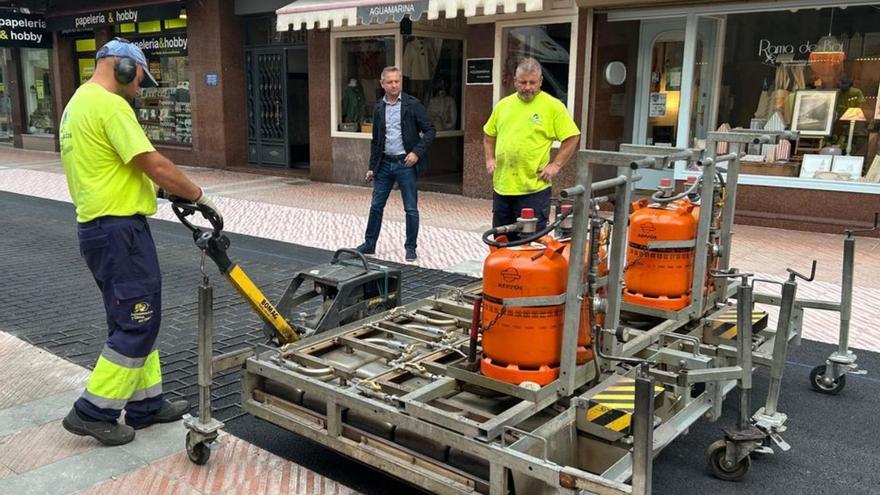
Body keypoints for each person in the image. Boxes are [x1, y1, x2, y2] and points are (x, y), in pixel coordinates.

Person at [58, 38, 222, 446]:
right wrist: (199, 194)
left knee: (131, 317)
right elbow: (153, 162)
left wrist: (165, 193)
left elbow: (118, 167)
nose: (139, 90)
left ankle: (147, 405)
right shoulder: (110, 105)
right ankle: (92, 412)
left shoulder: (76, 104)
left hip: (98, 230)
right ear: (123, 67)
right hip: (119, 232)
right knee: (138, 318)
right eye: (139, 80)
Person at [483, 57, 580, 238]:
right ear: (515, 81)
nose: (528, 87)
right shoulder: (503, 105)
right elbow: (489, 134)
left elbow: (572, 136)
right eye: (523, 82)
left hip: (533, 190)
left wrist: (556, 165)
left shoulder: (553, 106)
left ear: (540, 81)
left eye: (532, 83)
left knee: (531, 244)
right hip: (502, 188)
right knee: (502, 241)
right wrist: (490, 158)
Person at [356, 66, 435, 262]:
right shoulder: (378, 107)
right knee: (376, 206)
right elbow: (376, 140)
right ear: (382, 84)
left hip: (405, 164)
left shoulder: (412, 104)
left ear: (401, 83)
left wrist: (416, 153)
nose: (394, 85)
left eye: (397, 81)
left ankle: (410, 247)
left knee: (410, 208)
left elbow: (431, 130)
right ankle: (370, 244)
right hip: (384, 164)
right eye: (389, 82)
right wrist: (372, 167)